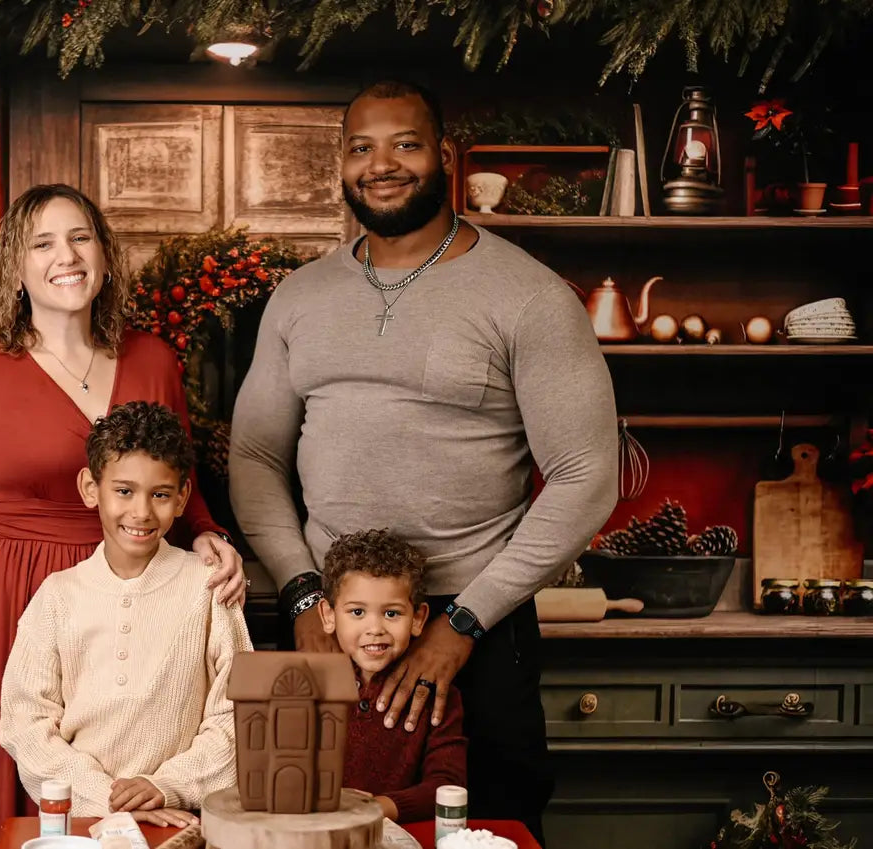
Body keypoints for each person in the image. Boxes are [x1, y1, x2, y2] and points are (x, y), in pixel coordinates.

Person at [228, 79, 618, 845]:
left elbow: (587, 475)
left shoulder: (529, 295)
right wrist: (305, 597)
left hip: (478, 624)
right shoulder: (299, 296)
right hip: (331, 627)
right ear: (340, 164)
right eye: (361, 147)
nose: (382, 164)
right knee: (310, 829)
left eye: (404, 144)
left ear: (444, 156)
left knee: (490, 830)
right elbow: (253, 453)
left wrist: (462, 623)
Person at [0, 183, 247, 849]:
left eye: (80, 237)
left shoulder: (152, 359)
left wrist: (211, 535)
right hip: (1, 614)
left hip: (133, 610)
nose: (65, 255)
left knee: (129, 807)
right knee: (7, 804)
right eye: (42, 243)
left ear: (104, 256)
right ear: (15, 269)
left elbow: (176, 486)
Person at [0, 401, 253, 829]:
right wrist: (106, 797)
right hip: (81, 821)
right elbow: (25, 724)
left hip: (182, 821)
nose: (141, 512)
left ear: (182, 498)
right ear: (90, 487)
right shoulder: (58, 596)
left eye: (160, 494)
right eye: (124, 491)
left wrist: (166, 786)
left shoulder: (208, 587)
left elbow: (239, 713)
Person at [318, 528, 466, 824]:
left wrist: (376, 808)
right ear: (329, 616)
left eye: (391, 613)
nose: (375, 628)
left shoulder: (440, 696)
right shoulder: (308, 689)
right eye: (357, 612)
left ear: (418, 619)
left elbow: (447, 788)